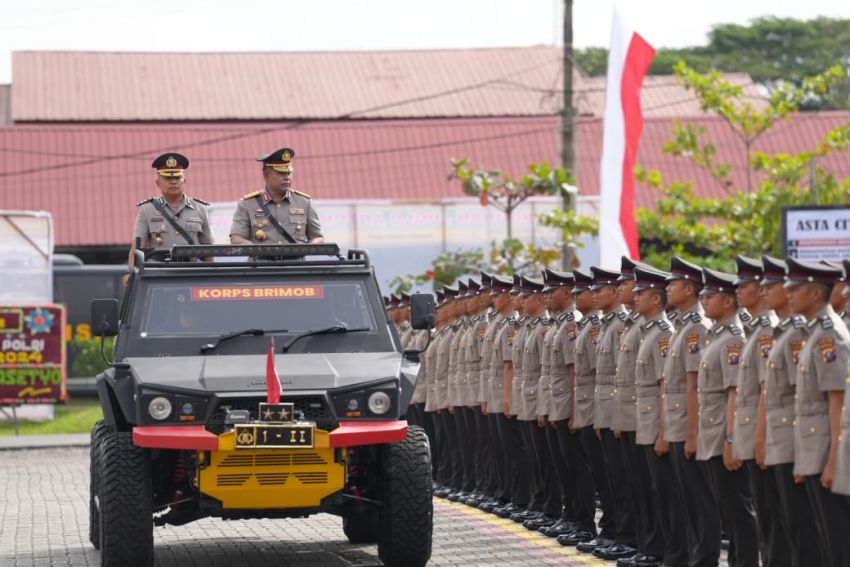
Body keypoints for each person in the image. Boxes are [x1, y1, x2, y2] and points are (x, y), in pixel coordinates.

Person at [785, 257, 850, 566]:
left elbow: (837, 402)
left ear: (814, 293)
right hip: (814, 447)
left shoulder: (829, 335)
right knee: (822, 534)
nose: (788, 295)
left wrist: (833, 461)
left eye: (795, 289)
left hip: (826, 449)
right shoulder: (814, 333)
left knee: (837, 540)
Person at [126, 153, 213, 283]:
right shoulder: (147, 209)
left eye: (178, 177)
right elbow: (137, 249)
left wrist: (210, 278)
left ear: (184, 181)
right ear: (157, 183)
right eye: (167, 178)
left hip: (192, 273)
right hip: (158, 273)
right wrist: (132, 274)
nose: (173, 182)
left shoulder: (200, 208)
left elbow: (208, 250)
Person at [230, 148, 323, 245]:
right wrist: (256, 250)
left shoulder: (304, 202)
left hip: (296, 260)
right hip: (261, 260)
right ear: (265, 175)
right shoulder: (247, 204)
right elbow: (237, 239)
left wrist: (311, 246)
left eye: (289, 173)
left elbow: (317, 237)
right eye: (281, 173)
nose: (287, 177)